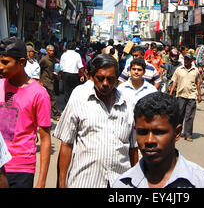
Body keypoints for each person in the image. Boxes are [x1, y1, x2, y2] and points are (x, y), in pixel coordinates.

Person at [54, 54, 138, 188]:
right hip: (85, 181)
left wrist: (136, 181)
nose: (105, 83)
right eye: (100, 78)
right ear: (92, 77)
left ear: (117, 79)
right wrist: (61, 182)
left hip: (120, 182)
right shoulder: (79, 98)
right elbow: (67, 144)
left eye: (110, 79)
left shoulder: (128, 104)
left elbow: (133, 149)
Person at [112, 92, 204, 188]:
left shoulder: (203, 183)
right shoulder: (122, 184)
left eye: (159, 132)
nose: (149, 140)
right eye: (142, 132)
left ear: (177, 133)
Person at [0, 37, 51, 188]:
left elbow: (45, 138)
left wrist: (42, 181)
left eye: (5, 62)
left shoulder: (39, 94)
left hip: (21, 169)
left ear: (21, 62)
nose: (0, 67)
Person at [169, 52, 201, 142]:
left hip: (192, 95)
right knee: (179, 115)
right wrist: (171, 93)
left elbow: (198, 82)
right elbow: (174, 81)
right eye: (185, 59)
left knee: (190, 116)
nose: (186, 61)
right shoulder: (179, 70)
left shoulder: (195, 71)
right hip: (181, 95)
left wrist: (199, 95)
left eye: (188, 59)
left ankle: (188, 134)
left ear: (191, 60)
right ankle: (176, 132)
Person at [39, 44, 61, 121]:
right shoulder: (44, 60)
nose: (52, 52)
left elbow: (56, 69)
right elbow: (39, 69)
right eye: (50, 51)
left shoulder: (54, 60)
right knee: (52, 97)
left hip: (52, 80)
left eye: (53, 51)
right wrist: (39, 80)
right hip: (46, 80)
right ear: (47, 51)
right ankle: (55, 113)